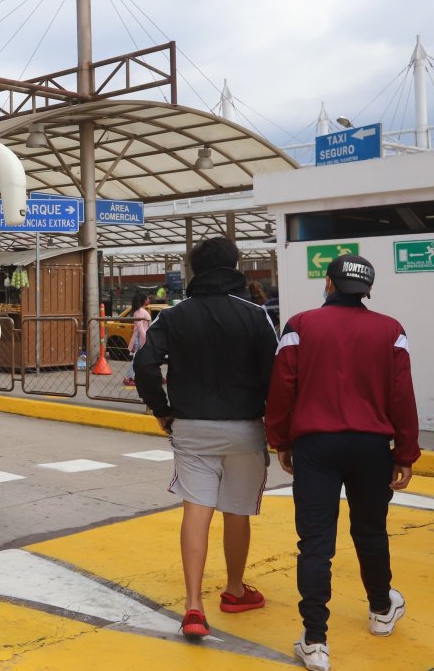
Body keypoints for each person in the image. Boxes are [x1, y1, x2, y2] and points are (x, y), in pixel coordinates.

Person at [265, 255, 419, 671]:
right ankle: (381, 610)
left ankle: (315, 641)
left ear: (329, 285)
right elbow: (402, 396)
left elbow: (281, 388)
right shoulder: (391, 331)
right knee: (371, 532)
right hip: (371, 448)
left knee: (315, 544)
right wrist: (406, 453)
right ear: (366, 290)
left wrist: (279, 440)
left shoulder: (300, 325)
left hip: (316, 447)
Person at [133, 237, 279, 640]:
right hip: (245, 427)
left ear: (195, 270)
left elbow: (144, 363)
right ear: (235, 265)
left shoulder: (175, 316)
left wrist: (162, 409)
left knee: (196, 510)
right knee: (237, 511)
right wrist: (277, 424)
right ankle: (234, 591)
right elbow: (277, 374)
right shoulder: (255, 315)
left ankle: (193, 606)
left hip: (191, 427)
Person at [122, 292, 152, 387]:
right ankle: (128, 378)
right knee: (136, 359)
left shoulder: (141, 310)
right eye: (147, 298)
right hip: (140, 338)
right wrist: (145, 339)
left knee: (140, 359)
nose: (148, 300)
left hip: (141, 337)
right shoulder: (139, 311)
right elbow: (140, 328)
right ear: (143, 301)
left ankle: (142, 377)